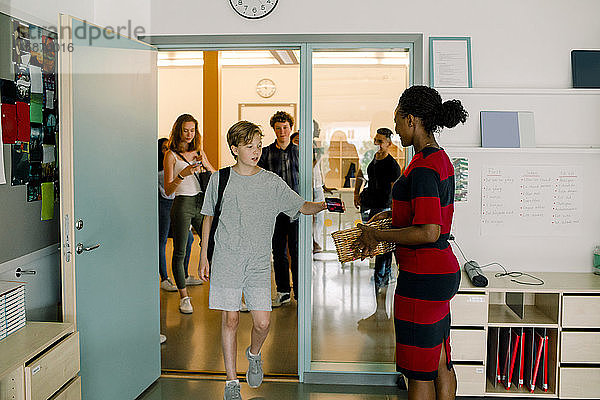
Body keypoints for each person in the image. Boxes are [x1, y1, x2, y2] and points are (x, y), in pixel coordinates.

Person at [199, 121, 328, 400]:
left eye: (259, 145)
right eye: (249, 146)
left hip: (258, 263)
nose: (256, 151)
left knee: (262, 323)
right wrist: (203, 257)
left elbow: (300, 205)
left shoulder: (271, 182)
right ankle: (231, 381)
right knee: (230, 319)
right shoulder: (219, 179)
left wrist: (322, 205)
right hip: (227, 260)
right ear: (234, 149)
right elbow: (208, 217)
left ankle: (254, 354)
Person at [356, 85, 468, 400]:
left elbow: (429, 230)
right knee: (440, 359)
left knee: (419, 372)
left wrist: (377, 233)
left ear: (412, 119)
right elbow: (424, 216)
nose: (395, 127)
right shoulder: (439, 158)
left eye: (397, 120)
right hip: (440, 272)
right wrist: (389, 219)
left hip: (423, 277)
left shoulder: (422, 168)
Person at [163, 114, 216, 314]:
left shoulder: (199, 151)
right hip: (182, 203)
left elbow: (215, 174)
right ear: (178, 130)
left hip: (201, 201)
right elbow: (168, 189)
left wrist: (205, 164)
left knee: (212, 244)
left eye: (192, 130)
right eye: (185, 130)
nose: (189, 134)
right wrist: (181, 175)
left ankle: (223, 289)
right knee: (180, 250)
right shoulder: (171, 155)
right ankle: (184, 297)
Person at [258, 111, 299, 306]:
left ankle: (300, 292)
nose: (282, 131)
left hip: (296, 209)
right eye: (278, 128)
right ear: (273, 130)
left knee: (297, 251)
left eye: (285, 127)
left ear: (291, 128)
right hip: (274, 211)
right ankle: (283, 291)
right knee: (279, 251)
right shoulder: (265, 153)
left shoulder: (299, 151)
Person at [353, 127, 401, 293]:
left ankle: (382, 278)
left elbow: (395, 191)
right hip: (367, 203)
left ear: (389, 143)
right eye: (375, 140)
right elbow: (360, 174)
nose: (376, 144)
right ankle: (378, 275)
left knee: (382, 245)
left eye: (380, 141)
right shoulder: (368, 157)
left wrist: (393, 212)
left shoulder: (393, 165)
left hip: (383, 207)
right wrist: (356, 193)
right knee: (369, 241)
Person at [158, 138, 198, 292]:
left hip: (180, 202)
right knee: (163, 241)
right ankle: (165, 278)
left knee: (189, 239)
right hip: (165, 204)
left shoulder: (177, 161)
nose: (166, 150)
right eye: (163, 148)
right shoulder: (160, 170)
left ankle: (185, 274)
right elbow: (167, 191)